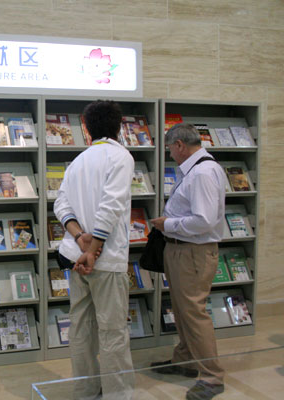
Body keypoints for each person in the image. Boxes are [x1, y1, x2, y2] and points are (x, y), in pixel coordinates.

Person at [54, 100, 135, 400]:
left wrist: (79, 240)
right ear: (119, 125)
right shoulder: (121, 157)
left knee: (81, 329)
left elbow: (61, 204)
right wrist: (94, 248)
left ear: (86, 127)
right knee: (113, 332)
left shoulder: (79, 160)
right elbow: (112, 205)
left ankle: (86, 392)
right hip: (105, 260)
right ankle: (118, 395)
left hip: (78, 258)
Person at [150, 123, 226, 400]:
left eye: (170, 148)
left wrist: (167, 223)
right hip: (182, 251)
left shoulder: (203, 172)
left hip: (192, 252)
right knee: (183, 311)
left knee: (193, 313)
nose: (170, 154)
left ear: (180, 145)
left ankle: (212, 378)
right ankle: (186, 361)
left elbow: (204, 221)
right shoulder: (197, 170)